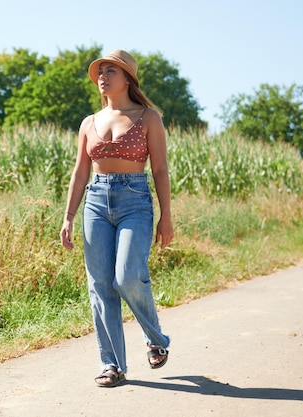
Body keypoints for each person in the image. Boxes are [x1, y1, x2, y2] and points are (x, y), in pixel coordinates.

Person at [59, 49, 174, 387]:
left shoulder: (148, 117)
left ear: (128, 79)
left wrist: (166, 217)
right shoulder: (88, 122)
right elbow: (80, 174)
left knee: (126, 275)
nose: (102, 77)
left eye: (111, 71)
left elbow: (161, 169)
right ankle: (112, 365)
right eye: (100, 71)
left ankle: (156, 338)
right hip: (95, 201)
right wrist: (68, 217)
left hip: (135, 200)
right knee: (100, 285)